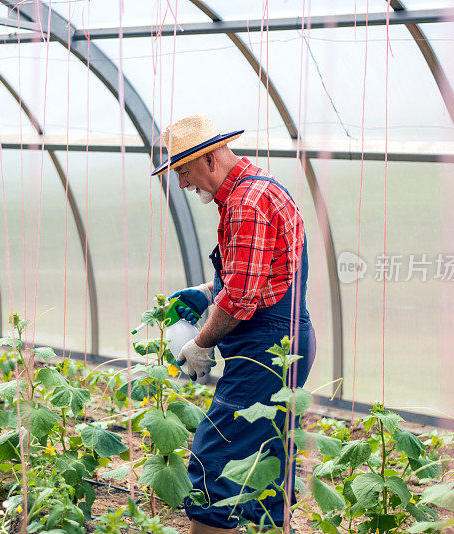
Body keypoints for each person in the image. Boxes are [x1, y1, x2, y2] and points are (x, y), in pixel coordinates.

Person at [152, 115, 316, 533]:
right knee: (264, 457)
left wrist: (200, 345)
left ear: (208, 158)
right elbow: (259, 273)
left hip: (268, 346)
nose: (183, 183)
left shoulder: (247, 202)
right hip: (283, 338)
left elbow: (243, 296)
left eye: (184, 171)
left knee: (215, 456)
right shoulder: (253, 191)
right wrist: (208, 292)